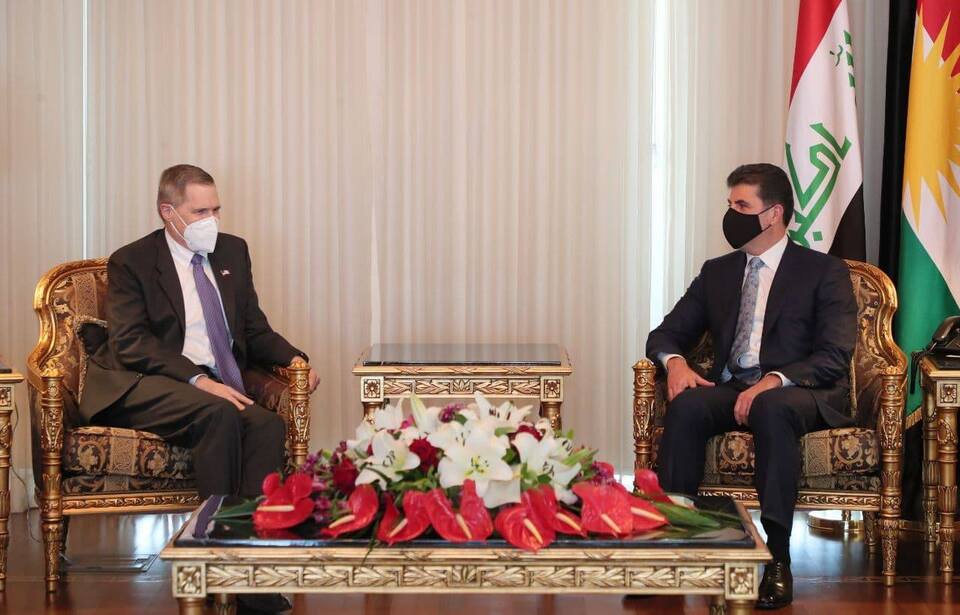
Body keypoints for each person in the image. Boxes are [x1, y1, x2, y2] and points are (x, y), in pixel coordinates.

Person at [646, 163, 857, 610]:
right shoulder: (718, 272)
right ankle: (674, 545)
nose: (731, 215)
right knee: (686, 406)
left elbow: (834, 355)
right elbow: (664, 334)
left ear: (773, 213)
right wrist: (676, 364)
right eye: (730, 205)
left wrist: (773, 381)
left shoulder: (823, 271)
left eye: (742, 206)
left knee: (771, 407)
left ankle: (777, 559)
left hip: (801, 389)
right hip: (733, 385)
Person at [81, 164, 319, 500]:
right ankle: (211, 526)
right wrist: (199, 380)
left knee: (268, 425)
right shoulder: (132, 261)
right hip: (142, 381)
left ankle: (247, 527)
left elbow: (253, 329)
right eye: (200, 212)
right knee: (218, 412)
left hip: (210, 384)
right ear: (168, 212)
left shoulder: (232, 252)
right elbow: (131, 342)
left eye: (216, 210)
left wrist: (295, 360)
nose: (212, 220)